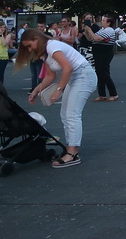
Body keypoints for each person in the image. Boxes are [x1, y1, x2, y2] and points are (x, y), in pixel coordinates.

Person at [17, 28, 97, 168]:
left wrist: (58, 90)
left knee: (72, 114)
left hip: (84, 76)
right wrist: (36, 90)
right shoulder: (45, 52)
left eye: (29, 45)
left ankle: (72, 153)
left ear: (36, 39)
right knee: (65, 114)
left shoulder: (52, 46)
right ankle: (70, 148)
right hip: (75, 78)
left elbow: (67, 68)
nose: (30, 50)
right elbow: (50, 75)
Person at [82, 15, 119, 101]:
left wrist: (89, 30)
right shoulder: (102, 30)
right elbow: (90, 38)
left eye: (104, 20)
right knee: (99, 73)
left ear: (108, 23)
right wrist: (87, 31)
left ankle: (114, 94)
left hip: (104, 53)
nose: (102, 22)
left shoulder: (109, 30)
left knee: (104, 73)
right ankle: (102, 94)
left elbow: (97, 38)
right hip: (98, 53)